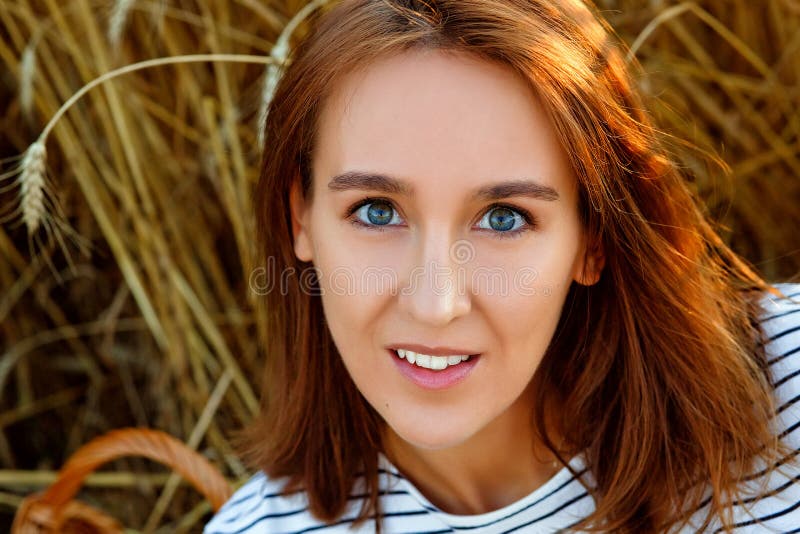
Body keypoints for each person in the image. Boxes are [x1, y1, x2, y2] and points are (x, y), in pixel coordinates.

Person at [204, 0, 800, 532]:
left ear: (592, 240)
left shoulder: (781, 386)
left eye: (504, 218)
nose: (435, 306)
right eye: (379, 211)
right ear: (301, 218)